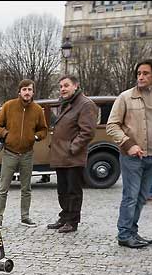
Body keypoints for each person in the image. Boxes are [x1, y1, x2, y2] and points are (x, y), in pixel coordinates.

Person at [106, 59, 152, 249]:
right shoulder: (125, 97)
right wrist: (129, 145)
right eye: (139, 73)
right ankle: (124, 234)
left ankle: (133, 231)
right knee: (131, 196)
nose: (141, 77)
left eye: (145, 73)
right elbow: (112, 126)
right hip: (132, 156)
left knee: (142, 197)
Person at [45, 75, 98, 234]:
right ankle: (64, 216)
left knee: (73, 191)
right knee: (63, 189)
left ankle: (72, 221)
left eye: (66, 85)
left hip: (72, 156)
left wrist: (72, 148)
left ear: (76, 86)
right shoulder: (67, 103)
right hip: (61, 155)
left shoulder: (85, 104)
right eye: (61, 86)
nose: (62, 89)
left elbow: (87, 131)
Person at [0, 79, 48, 227]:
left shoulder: (37, 110)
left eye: (30, 89)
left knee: (26, 188)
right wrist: (6, 134)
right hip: (10, 152)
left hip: (27, 153)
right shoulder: (9, 106)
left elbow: (43, 129)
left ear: (33, 92)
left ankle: (25, 217)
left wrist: (35, 136)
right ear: (19, 91)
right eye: (24, 89)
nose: (27, 92)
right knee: (3, 188)